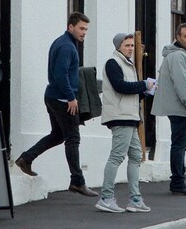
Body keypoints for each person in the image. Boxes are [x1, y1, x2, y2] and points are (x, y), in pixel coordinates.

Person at [15, 12, 98, 197]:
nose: (84, 32)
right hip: (62, 100)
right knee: (73, 139)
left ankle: (26, 158)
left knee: (58, 135)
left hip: (53, 97)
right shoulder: (67, 46)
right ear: (71, 27)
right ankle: (77, 181)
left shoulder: (61, 42)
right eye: (81, 28)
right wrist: (71, 97)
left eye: (86, 29)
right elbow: (61, 74)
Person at [95, 33, 154, 214]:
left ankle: (135, 199)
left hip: (130, 116)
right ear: (118, 46)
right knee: (117, 157)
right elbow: (120, 87)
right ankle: (106, 197)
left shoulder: (127, 64)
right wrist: (143, 85)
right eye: (126, 45)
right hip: (120, 116)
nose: (130, 48)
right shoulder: (113, 63)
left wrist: (146, 91)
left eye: (131, 45)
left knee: (136, 156)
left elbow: (130, 93)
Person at [152, 23, 186, 196]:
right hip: (178, 106)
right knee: (180, 143)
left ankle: (179, 179)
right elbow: (182, 83)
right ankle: (177, 182)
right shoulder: (178, 56)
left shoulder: (184, 55)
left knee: (183, 141)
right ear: (178, 37)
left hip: (178, 106)